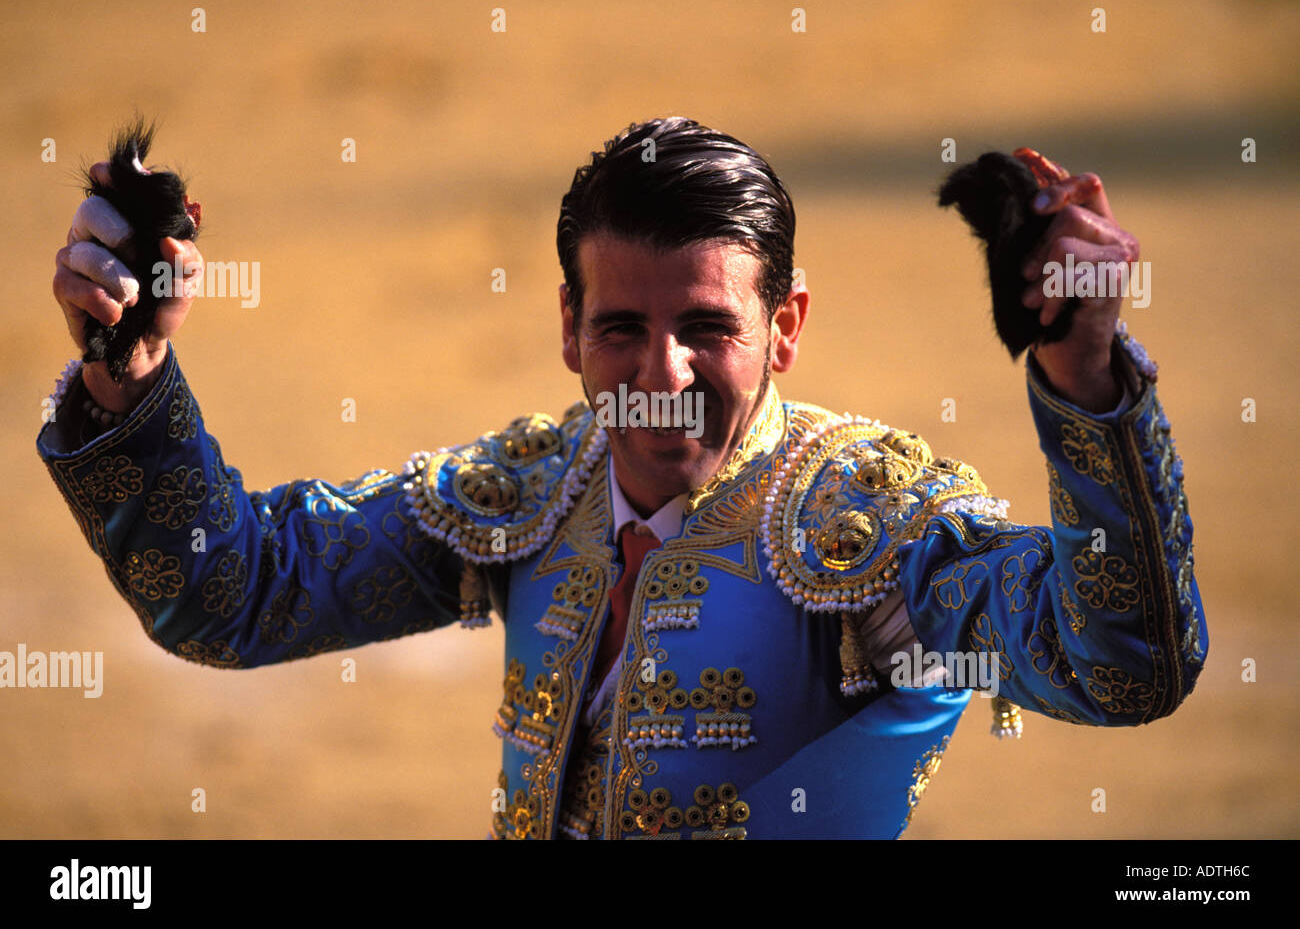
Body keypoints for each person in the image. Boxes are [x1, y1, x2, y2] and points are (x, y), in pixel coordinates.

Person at [37, 116, 1206, 839]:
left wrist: (1084, 377)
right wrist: (131, 384)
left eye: (708, 326)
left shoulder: (869, 528)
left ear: (786, 325)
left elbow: (1117, 665)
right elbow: (234, 596)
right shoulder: (530, 492)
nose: (662, 374)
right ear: (565, 324)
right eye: (621, 328)